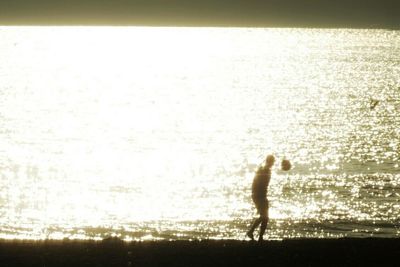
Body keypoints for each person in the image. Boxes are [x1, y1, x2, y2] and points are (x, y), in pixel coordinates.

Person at [247, 154, 275, 242]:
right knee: (264, 216)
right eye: (272, 162)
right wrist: (259, 196)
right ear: (270, 162)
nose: (273, 164)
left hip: (259, 195)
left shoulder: (264, 169)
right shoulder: (264, 170)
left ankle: (258, 236)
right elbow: (259, 183)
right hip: (259, 195)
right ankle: (253, 233)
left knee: (264, 217)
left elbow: (257, 182)